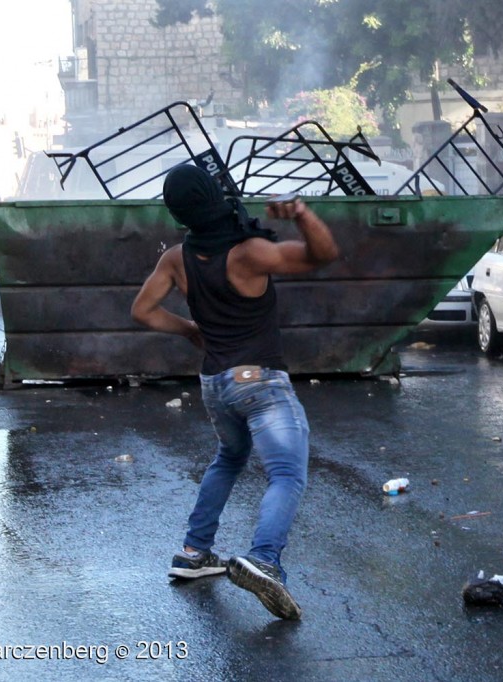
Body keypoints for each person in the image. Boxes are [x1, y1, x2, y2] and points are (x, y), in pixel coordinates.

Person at [131, 165, 339, 620]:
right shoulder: (249, 253)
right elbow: (323, 254)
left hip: (214, 384)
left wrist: (189, 330)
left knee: (229, 458)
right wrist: (301, 213)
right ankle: (264, 559)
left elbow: (143, 309)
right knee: (286, 474)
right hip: (260, 382)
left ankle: (194, 553)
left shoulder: (177, 258)